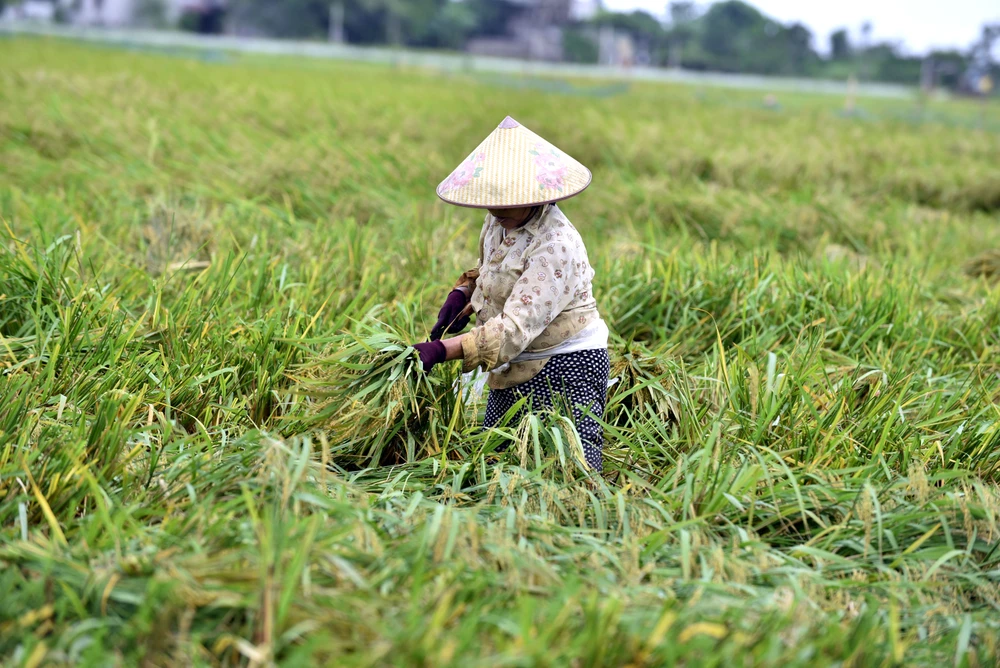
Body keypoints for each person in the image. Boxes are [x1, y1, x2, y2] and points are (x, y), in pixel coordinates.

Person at [412, 116, 610, 471]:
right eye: (492, 200)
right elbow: (492, 265)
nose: (493, 210)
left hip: (565, 366)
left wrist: (441, 351)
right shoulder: (503, 218)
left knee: (563, 470)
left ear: (534, 196)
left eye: (505, 202)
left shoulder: (555, 245)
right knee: (496, 462)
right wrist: (464, 293)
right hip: (513, 362)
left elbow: (512, 332)